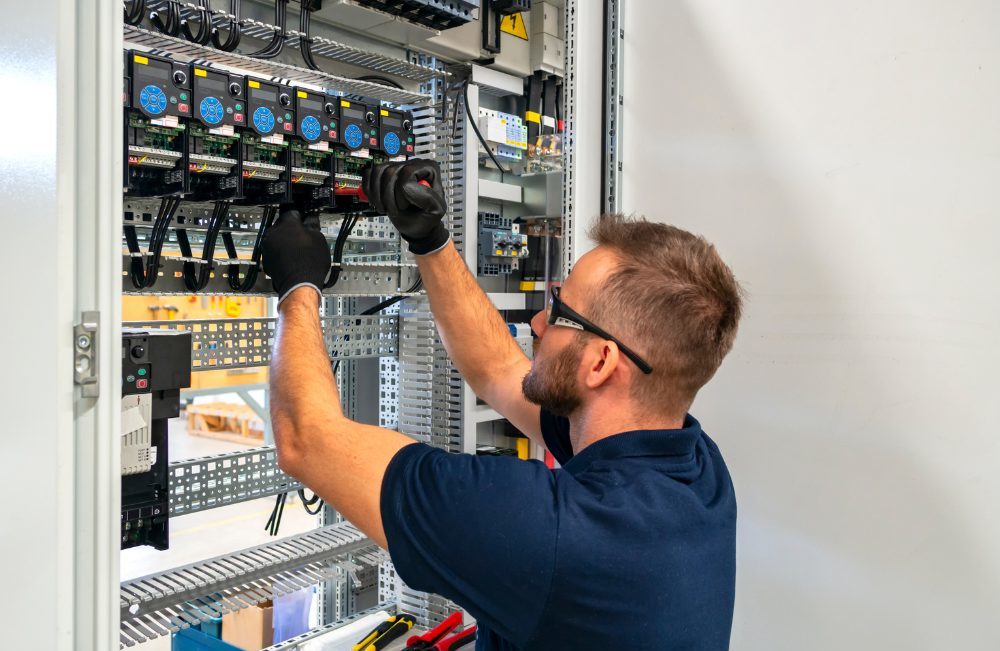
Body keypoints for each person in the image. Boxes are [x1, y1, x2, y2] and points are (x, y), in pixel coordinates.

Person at [261, 159, 744, 650]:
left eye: (560, 312)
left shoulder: (555, 533)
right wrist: (430, 239)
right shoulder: (697, 468)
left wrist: (297, 288)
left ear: (600, 363)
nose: (537, 323)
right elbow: (499, 372)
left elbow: (306, 439)